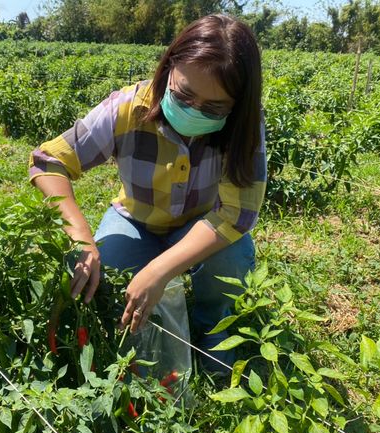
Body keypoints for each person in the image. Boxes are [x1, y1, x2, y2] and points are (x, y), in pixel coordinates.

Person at [28, 14, 266, 373]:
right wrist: (82, 240)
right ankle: (131, 344)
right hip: (136, 219)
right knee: (101, 275)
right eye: (184, 94)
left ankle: (214, 333)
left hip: (200, 224)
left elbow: (237, 212)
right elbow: (49, 163)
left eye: (214, 107)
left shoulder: (245, 125)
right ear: (168, 67)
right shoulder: (129, 108)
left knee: (229, 260)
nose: (193, 111)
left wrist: (160, 271)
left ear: (237, 105)